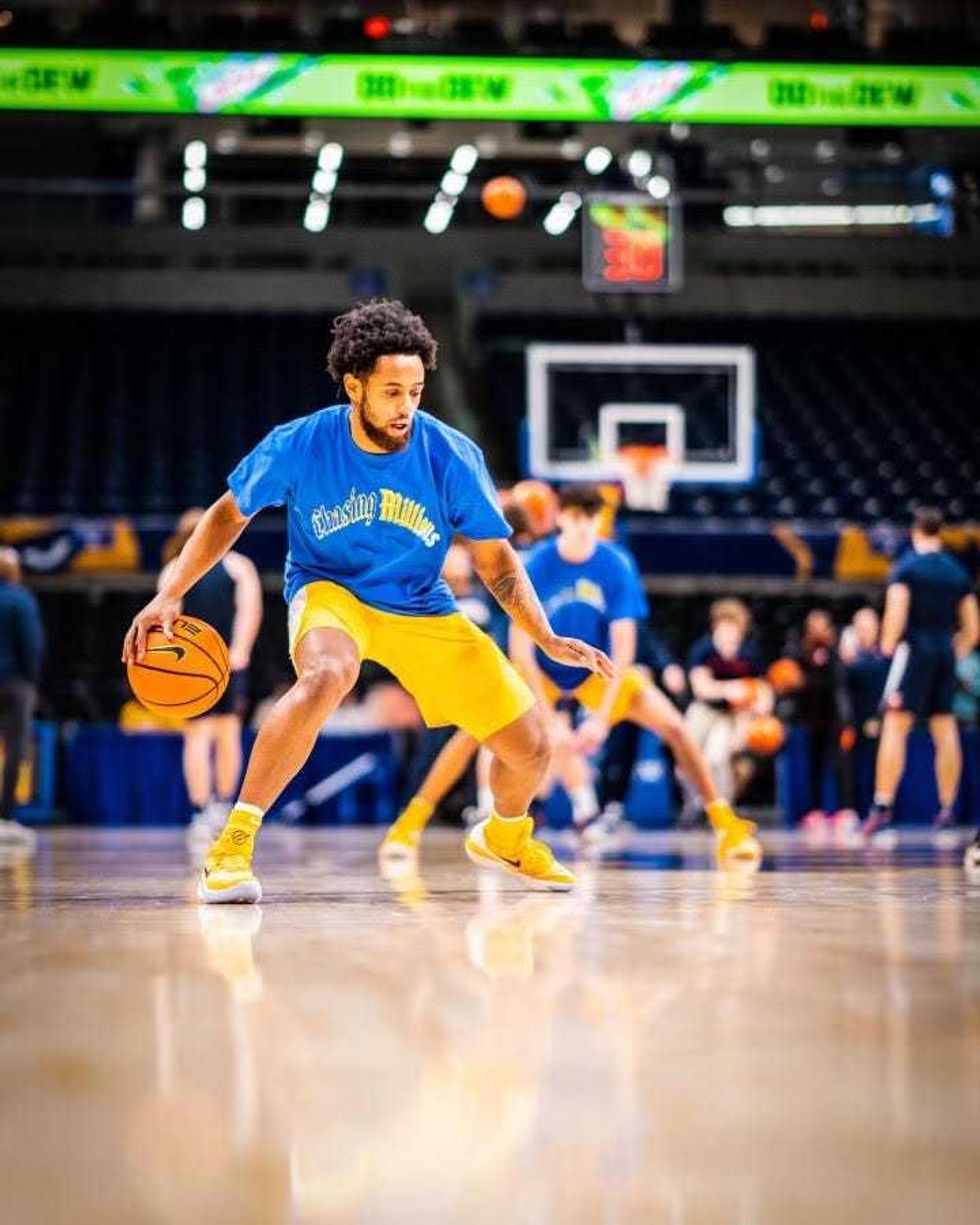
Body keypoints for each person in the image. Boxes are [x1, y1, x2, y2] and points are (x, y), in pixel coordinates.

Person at [123, 299, 612, 902]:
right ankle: (233, 845)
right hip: (332, 592)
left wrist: (543, 634)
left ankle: (506, 835)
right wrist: (170, 592)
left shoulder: (450, 452)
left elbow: (495, 560)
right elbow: (229, 515)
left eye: (415, 390)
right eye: (391, 392)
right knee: (329, 673)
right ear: (354, 386)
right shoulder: (302, 443)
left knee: (532, 745)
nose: (406, 406)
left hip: (421, 603)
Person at [861, 508, 979, 850]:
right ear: (940, 533)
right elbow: (973, 627)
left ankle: (882, 807)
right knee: (945, 728)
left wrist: (885, 647)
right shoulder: (957, 572)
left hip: (914, 651)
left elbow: (896, 613)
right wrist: (954, 651)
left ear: (915, 532)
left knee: (895, 726)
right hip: (944, 649)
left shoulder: (907, 568)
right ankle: (946, 811)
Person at [160, 509, 263, 847]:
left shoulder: (174, 571)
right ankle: (218, 806)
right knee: (225, 734)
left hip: (195, 667)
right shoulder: (239, 565)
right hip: (224, 663)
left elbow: (166, 626)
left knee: (200, 737)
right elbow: (250, 612)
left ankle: (204, 809)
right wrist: (240, 652)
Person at [682, 598, 769, 824]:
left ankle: (722, 811)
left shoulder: (749, 653)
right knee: (686, 759)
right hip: (704, 710)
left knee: (716, 758)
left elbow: (762, 688)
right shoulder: (704, 649)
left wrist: (761, 709)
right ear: (716, 628)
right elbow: (701, 689)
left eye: (735, 630)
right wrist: (729, 689)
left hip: (732, 714)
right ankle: (694, 804)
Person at [785, 609, 851, 833]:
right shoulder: (799, 651)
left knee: (839, 766)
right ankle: (815, 811)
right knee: (813, 766)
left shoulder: (836, 650)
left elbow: (840, 684)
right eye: (813, 625)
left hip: (834, 717)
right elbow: (792, 680)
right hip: (810, 718)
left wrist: (846, 720)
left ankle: (844, 810)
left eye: (821, 625)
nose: (817, 629)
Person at [0, 546, 43, 848]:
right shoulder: (21, 599)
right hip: (15, 684)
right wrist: (32, 681)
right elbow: (32, 646)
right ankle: (5, 818)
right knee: (15, 750)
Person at [837, 606, 890, 823]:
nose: (865, 632)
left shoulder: (886, 656)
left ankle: (881, 815)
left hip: (882, 723)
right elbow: (841, 692)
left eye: (869, 627)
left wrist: (878, 718)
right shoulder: (847, 659)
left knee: (881, 771)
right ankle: (855, 813)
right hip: (853, 723)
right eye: (860, 628)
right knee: (852, 770)